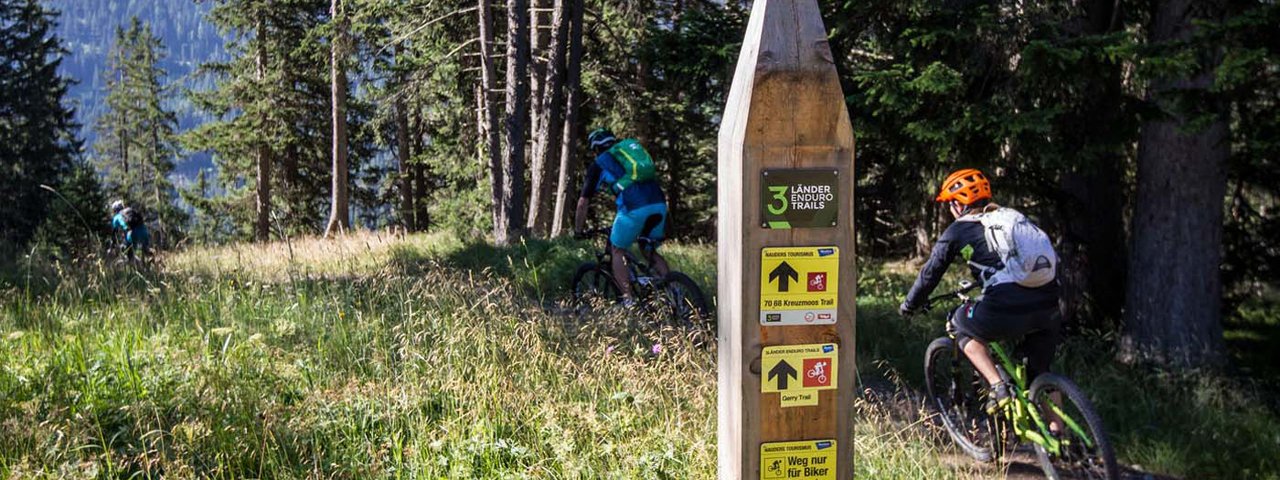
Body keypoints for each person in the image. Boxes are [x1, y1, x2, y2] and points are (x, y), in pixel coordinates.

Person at [898, 168, 1061, 421]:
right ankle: (1061, 437)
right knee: (1039, 372)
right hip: (1048, 302)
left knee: (958, 324)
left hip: (1005, 305)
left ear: (956, 204)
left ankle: (998, 386)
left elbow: (930, 274)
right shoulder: (1011, 217)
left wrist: (909, 305)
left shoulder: (957, 230)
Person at [574, 128, 670, 306]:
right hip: (659, 204)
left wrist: (578, 230)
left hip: (634, 208)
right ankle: (673, 292)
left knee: (617, 249)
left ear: (595, 148)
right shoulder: (628, 156)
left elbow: (583, 201)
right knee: (648, 250)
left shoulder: (599, 163)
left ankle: (628, 301)